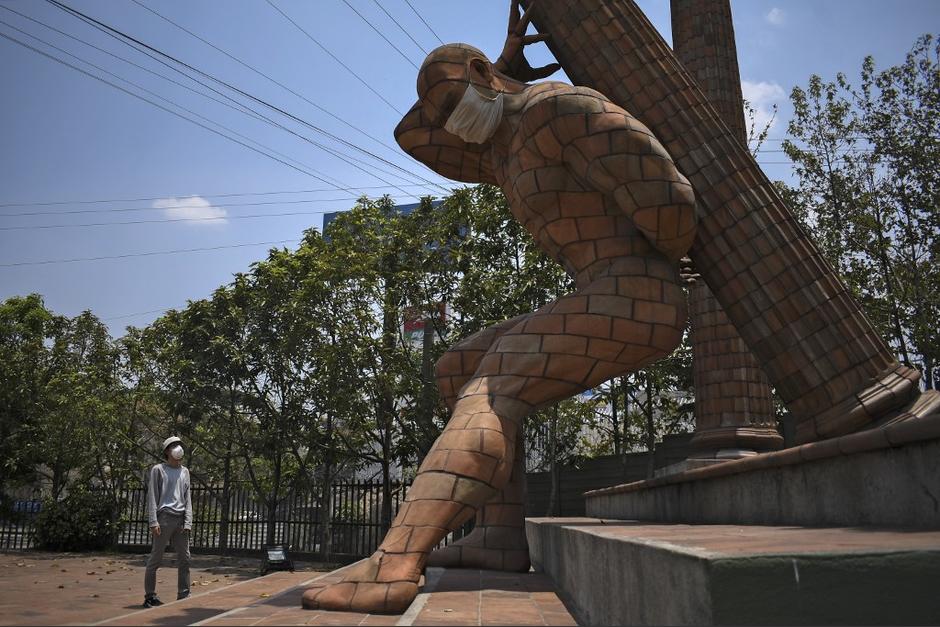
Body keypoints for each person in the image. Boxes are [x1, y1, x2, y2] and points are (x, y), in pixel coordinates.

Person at [302, 0, 696, 613]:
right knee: (457, 368)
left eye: (456, 105)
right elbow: (411, 134)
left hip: (638, 289)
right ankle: (497, 534)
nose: (453, 125)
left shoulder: (562, 108)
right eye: (447, 116)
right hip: (597, 289)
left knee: (494, 381)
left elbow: (670, 203)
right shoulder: (502, 148)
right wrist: (504, 69)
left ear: (482, 77)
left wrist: (668, 252)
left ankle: (397, 560)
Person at [143, 436, 193, 608]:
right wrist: (153, 521)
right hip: (163, 518)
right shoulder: (158, 470)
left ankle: (184, 594)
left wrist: (188, 522)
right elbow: (152, 497)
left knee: (185, 558)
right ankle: (150, 596)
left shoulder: (185, 471)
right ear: (166, 451)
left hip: (180, 520)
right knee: (156, 559)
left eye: (179, 445)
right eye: (173, 446)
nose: (178, 448)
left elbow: (188, 499)